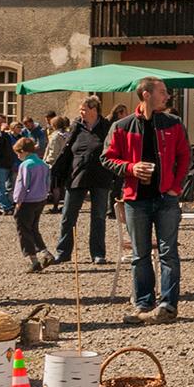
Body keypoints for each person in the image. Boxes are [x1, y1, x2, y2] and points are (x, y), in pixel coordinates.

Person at [105, 77, 190, 324]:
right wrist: (131, 168)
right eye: (163, 92)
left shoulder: (173, 123)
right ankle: (143, 305)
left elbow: (185, 156)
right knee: (140, 255)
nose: (167, 96)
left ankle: (168, 306)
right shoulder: (122, 126)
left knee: (168, 253)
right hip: (135, 200)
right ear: (146, 94)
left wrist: (176, 186)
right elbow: (106, 158)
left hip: (166, 199)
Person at [52, 97, 112, 265]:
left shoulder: (107, 127)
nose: (81, 112)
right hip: (77, 175)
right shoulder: (77, 126)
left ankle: (98, 253)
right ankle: (63, 252)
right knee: (68, 215)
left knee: (98, 217)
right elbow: (67, 150)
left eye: (84, 109)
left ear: (94, 110)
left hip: (101, 176)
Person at [11, 135, 53, 270]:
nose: (18, 156)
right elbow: (48, 183)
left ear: (24, 151)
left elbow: (22, 185)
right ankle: (45, 253)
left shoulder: (25, 165)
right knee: (34, 228)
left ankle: (33, 260)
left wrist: (18, 200)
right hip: (40, 199)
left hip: (27, 201)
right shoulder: (44, 164)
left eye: (18, 153)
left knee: (23, 229)